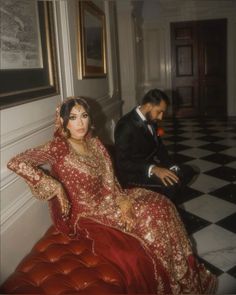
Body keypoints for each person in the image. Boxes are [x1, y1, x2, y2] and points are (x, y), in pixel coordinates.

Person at [7, 97, 216, 294]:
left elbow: (111, 182)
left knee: (161, 206)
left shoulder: (95, 144)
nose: (80, 123)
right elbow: (16, 162)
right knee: (144, 232)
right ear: (62, 121)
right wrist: (55, 187)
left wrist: (123, 203)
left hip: (110, 200)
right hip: (86, 215)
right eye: (73, 117)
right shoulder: (58, 147)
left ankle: (183, 278)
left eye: (84, 116)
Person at [114, 88, 196, 201]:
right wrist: (154, 169)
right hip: (133, 174)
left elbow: (160, 148)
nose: (161, 117)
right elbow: (122, 163)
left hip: (150, 167)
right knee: (171, 186)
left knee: (187, 171)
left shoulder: (151, 119)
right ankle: (163, 210)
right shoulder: (125, 125)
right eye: (159, 112)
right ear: (148, 106)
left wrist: (171, 165)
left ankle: (164, 205)